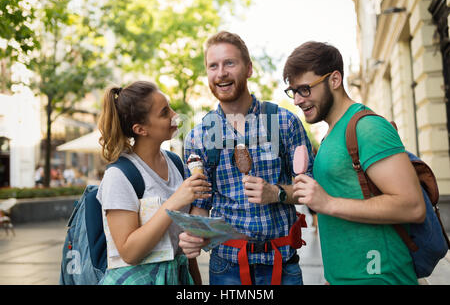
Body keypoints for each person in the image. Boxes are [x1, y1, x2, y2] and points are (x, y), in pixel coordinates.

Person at [284, 41, 426, 285]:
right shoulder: (331, 134)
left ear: (335, 80)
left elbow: (412, 206)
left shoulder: (367, 126)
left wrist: (327, 203)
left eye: (305, 89)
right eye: (293, 91)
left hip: (379, 278)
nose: (297, 100)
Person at [179, 31, 315, 285]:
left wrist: (277, 193)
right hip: (227, 268)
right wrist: (194, 234)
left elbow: (312, 189)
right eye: (213, 66)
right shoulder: (198, 137)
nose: (221, 73)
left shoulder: (284, 122)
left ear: (249, 68)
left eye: (230, 63)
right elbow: (201, 203)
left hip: (282, 263)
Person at [96, 81, 211, 285]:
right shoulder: (119, 175)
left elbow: (180, 242)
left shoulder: (176, 163)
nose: (175, 115)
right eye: (164, 112)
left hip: (179, 276)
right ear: (141, 129)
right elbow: (129, 252)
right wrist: (174, 202)